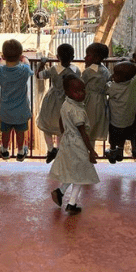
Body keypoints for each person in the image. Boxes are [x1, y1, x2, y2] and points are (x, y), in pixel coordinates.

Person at [48, 75, 99, 214]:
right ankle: (71, 204)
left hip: (67, 142)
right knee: (81, 174)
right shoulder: (77, 111)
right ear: (68, 92)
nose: (81, 94)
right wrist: (91, 150)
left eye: (83, 90)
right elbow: (83, 133)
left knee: (74, 171)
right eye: (77, 91)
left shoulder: (66, 104)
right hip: (77, 143)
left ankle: (60, 191)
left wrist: (65, 133)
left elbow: (61, 120)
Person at [35, 44, 81, 164]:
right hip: (68, 101)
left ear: (57, 57)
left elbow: (39, 75)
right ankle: (60, 149)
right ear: (73, 58)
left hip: (52, 101)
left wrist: (42, 63)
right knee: (62, 128)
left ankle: (51, 149)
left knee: (46, 126)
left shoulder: (54, 69)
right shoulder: (76, 70)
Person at [0, 39, 33, 161]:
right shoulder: (24, 71)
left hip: (6, 110)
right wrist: (24, 58)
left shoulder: (0, 71)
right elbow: (27, 63)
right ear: (20, 55)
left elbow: (0, 65)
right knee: (20, 132)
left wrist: (2, 60)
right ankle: (21, 151)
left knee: (6, 132)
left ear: (4, 56)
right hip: (21, 110)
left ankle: (4, 150)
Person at [105, 62, 136, 164]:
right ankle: (120, 151)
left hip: (116, 118)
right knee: (122, 136)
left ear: (121, 77)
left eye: (115, 74)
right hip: (129, 118)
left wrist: (109, 80)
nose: (113, 75)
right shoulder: (134, 83)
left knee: (113, 137)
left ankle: (112, 151)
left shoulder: (114, 87)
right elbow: (135, 77)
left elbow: (106, 90)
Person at [81, 43, 110, 145]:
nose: (85, 57)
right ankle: (91, 152)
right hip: (101, 102)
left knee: (86, 127)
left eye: (88, 55)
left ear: (96, 58)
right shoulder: (105, 71)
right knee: (93, 128)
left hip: (89, 102)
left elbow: (81, 84)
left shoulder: (88, 71)